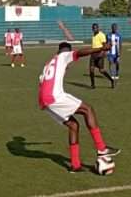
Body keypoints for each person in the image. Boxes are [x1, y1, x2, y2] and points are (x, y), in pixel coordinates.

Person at [38, 42, 121, 172]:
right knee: (88, 110)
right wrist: (100, 48)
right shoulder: (63, 55)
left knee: (73, 126)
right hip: (54, 96)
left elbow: (42, 81)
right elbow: (80, 53)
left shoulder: (49, 63)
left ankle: (75, 165)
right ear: (66, 50)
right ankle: (101, 149)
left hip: (44, 101)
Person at [89, 23, 114, 88]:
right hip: (93, 54)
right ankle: (93, 85)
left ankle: (111, 80)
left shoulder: (101, 35)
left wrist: (103, 53)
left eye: (96, 28)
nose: (94, 29)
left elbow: (104, 46)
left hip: (99, 54)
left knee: (101, 70)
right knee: (91, 69)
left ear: (98, 28)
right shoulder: (93, 35)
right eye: (93, 28)